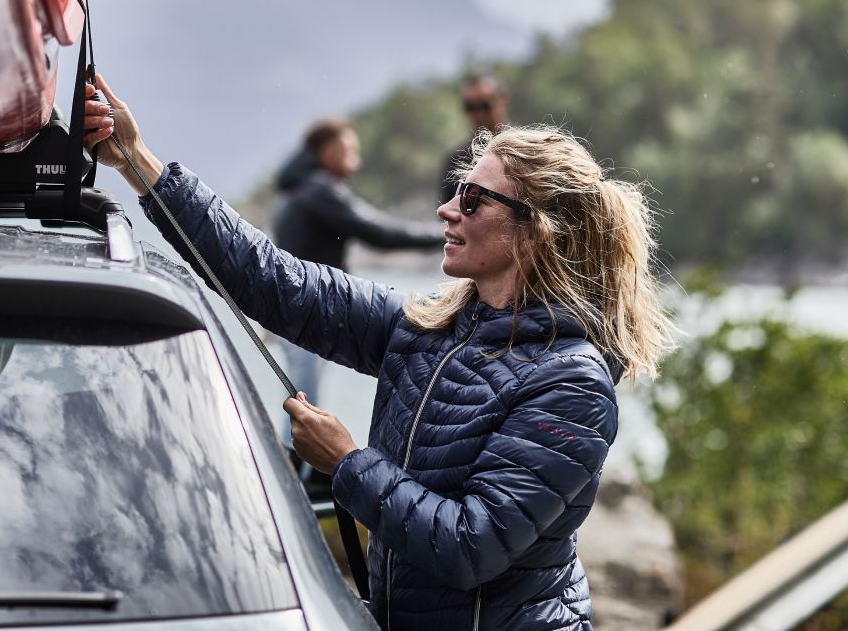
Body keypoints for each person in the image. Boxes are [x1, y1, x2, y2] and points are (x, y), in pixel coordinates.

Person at [83, 75, 675, 630]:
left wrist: (346, 463)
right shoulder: (428, 327)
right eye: (457, 192)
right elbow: (271, 280)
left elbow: (470, 546)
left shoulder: (571, 384)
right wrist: (137, 161)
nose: (447, 209)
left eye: (472, 199)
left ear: (533, 231)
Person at [271, 118, 441, 430]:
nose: (356, 159)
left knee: (301, 401)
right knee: (304, 408)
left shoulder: (298, 189)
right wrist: (443, 234)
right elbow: (377, 232)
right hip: (304, 311)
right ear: (328, 152)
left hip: (292, 308)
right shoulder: (320, 190)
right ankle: (293, 458)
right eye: (349, 150)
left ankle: (294, 455)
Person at [440, 74, 510, 205]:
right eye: (470, 107)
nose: (478, 114)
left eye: (484, 106)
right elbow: (445, 210)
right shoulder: (457, 159)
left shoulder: (523, 150)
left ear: (503, 100)